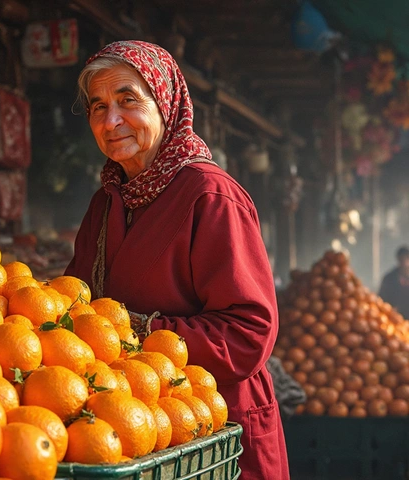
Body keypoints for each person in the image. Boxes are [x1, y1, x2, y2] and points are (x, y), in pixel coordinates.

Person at [65, 40, 289, 480]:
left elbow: (248, 333)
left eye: (128, 100)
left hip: (216, 430)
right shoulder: (107, 201)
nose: (111, 121)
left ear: (165, 104)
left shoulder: (211, 196)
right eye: (97, 107)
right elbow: (78, 307)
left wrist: (136, 329)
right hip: (137, 428)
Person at [378, 245, 409, 319]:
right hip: (394, 318)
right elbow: (381, 299)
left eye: (406, 258)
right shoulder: (389, 279)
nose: (404, 263)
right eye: (401, 259)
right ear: (398, 259)